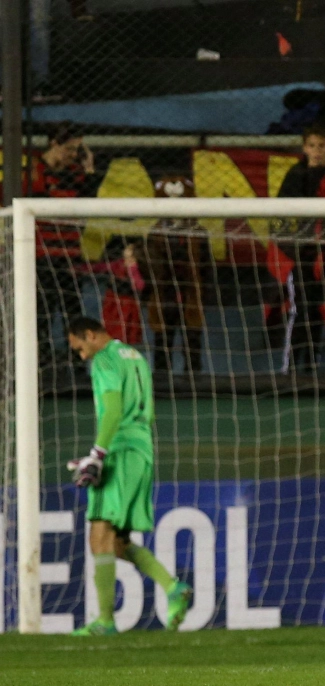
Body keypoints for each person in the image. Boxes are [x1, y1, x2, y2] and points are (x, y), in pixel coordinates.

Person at [64, 317, 193, 636]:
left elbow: (112, 410)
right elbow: (144, 410)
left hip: (119, 449)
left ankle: (106, 621)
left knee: (99, 532)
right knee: (117, 542)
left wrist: (98, 454)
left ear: (91, 336)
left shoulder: (104, 360)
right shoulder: (135, 356)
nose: (82, 357)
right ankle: (173, 587)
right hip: (143, 448)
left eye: (80, 348)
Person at [276, 121, 325, 372]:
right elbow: (283, 213)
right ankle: (289, 367)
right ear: (304, 148)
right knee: (299, 309)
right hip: (300, 255)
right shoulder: (295, 176)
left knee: (318, 310)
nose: (317, 150)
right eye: (312, 146)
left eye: (322, 146)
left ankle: (310, 365)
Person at [26, 122, 103, 368]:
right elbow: (42, 204)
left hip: (70, 253)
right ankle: (41, 363)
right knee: (42, 311)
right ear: (54, 143)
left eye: (77, 150)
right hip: (40, 253)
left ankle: (76, 364)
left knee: (73, 310)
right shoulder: (34, 169)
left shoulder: (77, 172)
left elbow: (87, 206)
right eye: (70, 149)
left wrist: (89, 170)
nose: (73, 155)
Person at [144, 175, 209, 376]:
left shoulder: (198, 232)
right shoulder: (155, 234)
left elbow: (205, 266)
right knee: (163, 339)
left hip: (190, 293)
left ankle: (194, 377)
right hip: (164, 294)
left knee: (192, 338)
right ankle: (162, 378)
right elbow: (150, 267)